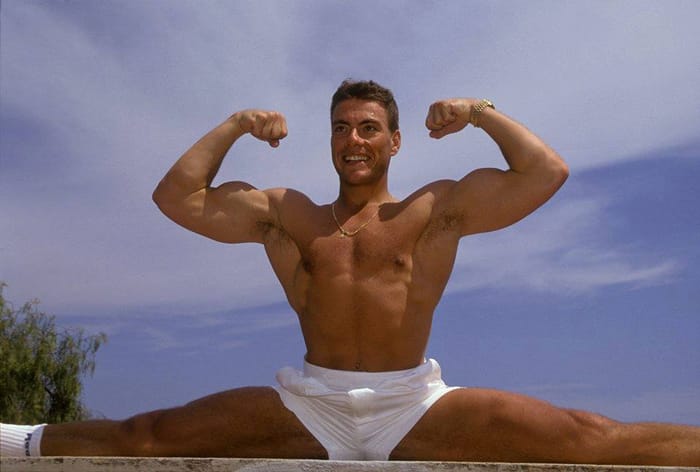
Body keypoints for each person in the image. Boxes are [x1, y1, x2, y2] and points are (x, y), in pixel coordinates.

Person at [2, 80, 699, 465]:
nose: (353, 139)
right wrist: (237, 124)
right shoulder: (289, 215)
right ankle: (14, 440)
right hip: (312, 401)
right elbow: (175, 198)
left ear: (394, 141)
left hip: (412, 402)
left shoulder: (433, 210)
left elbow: (546, 172)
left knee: (586, 436)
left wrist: (479, 112)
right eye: (341, 127)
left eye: (367, 128)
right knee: (146, 436)